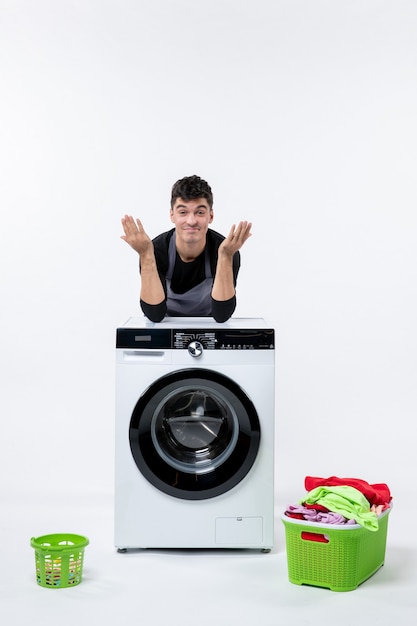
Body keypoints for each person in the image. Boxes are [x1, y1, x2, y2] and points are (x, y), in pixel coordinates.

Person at [120, 175, 252, 322]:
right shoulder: (156, 250)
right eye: (183, 212)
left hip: (209, 327)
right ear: (172, 215)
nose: (191, 221)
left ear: (211, 215)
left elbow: (222, 315)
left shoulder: (225, 250)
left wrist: (226, 257)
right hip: (166, 327)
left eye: (200, 212)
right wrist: (145, 255)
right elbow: (154, 314)